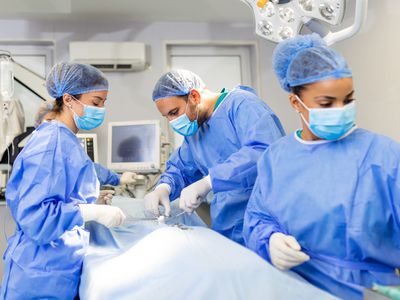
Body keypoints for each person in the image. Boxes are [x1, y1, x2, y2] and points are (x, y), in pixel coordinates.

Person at [243, 34, 400, 299]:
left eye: (348, 100)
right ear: (296, 103)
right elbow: (259, 216)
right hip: (293, 287)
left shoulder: (384, 156)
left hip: (369, 291)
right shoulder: (277, 157)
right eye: (327, 103)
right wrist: (268, 240)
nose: (341, 110)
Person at [0, 62, 126, 299]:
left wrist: (88, 200)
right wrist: (90, 212)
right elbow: (36, 216)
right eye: (96, 102)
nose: (100, 109)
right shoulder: (51, 143)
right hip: (40, 274)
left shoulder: (64, 139)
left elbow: (60, 192)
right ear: (68, 99)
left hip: (56, 265)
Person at [144, 69, 285, 245]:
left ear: (194, 96)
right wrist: (163, 188)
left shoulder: (242, 105)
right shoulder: (196, 129)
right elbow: (182, 167)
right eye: (167, 116)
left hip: (265, 222)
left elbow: (264, 151)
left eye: (174, 112)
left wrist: (210, 181)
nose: (172, 121)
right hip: (228, 225)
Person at [35, 102, 138, 188]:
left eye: (57, 121)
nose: (54, 125)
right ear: (38, 124)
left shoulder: (62, 147)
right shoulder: (36, 154)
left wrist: (118, 178)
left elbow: (85, 168)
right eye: (49, 121)